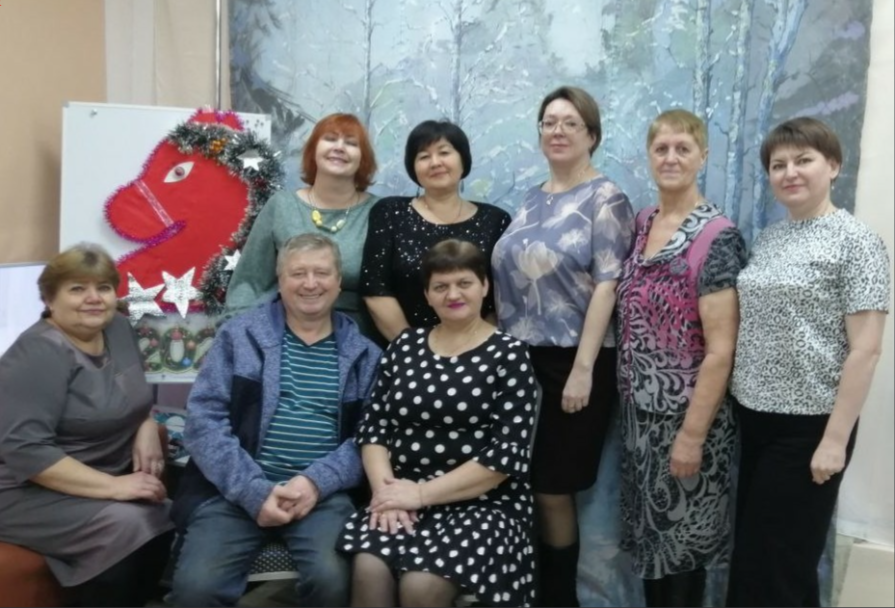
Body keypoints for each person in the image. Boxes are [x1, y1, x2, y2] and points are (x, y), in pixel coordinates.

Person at [726, 117, 890, 607]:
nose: (789, 172)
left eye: (803, 160)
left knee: (779, 565)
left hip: (809, 427)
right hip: (755, 418)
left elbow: (866, 349)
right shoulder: (771, 238)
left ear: (833, 165)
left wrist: (834, 441)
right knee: (761, 560)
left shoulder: (857, 242)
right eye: (778, 165)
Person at [169, 234, 381, 607]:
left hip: (322, 497)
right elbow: (203, 423)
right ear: (280, 280)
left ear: (338, 282)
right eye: (298, 273)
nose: (310, 283)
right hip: (233, 491)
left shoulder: (365, 354)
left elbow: (368, 438)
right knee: (195, 590)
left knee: (334, 581)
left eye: (321, 273)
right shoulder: (239, 336)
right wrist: (253, 491)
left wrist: (315, 483)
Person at [491, 85, 635, 606]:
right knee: (514, 481)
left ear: (591, 135)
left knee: (552, 487)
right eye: (549, 122)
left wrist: (583, 368)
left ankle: (558, 599)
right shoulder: (532, 197)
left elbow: (607, 285)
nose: (557, 131)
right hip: (517, 361)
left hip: (574, 359)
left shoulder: (606, 198)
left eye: (570, 123)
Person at [340, 239, 538, 607]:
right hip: (399, 493)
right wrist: (388, 494)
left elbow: (506, 456)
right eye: (441, 286)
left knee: (421, 587)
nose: (453, 294)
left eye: (464, 283)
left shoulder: (509, 355)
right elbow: (373, 428)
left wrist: (421, 495)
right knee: (370, 569)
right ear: (427, 295)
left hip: (482, 504)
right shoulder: (405, 346)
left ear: (484, 286)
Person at [615, 109, 746, 606]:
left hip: (690, 422)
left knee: (683, 552)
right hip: (639, 423)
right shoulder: (644, 222)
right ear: (649, 156)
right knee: (652, 548)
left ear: (702, 156)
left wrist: (691, 437)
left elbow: (721, 350)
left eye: (682, 149)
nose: (671, 158)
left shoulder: (718, 237)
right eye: (661, 149)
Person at [0, 243, 173, 607]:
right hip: (25, 489)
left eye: (103, 288)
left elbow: (128, 394)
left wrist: (145, 423)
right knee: (131, 524)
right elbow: (26, 451)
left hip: (97, 474)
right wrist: (114, 487)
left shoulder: (119, 329)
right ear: (49, 299)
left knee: (169, 511)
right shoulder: (38, 352)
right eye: (77, 289)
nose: (93, 298)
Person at [224, 112, 381, 339]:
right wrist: (239, 337)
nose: (339, 147)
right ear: (313, 151)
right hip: (283, 335)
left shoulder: (379, 213)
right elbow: (249, 282)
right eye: (330, 139)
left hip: (358, 338)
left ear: (363, 158)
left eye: (351, 143)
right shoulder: (281, 206)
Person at [361, 119, 510, 341]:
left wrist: (476, 349)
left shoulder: (495, 220)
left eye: (444, 152)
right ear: (413, 167)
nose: (435, 162)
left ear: (463, 160)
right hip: (404, 348)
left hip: (479, 350)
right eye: (424, 156)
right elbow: (375, 287)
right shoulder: (390, 212)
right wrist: (414, 350)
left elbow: (500, 298)